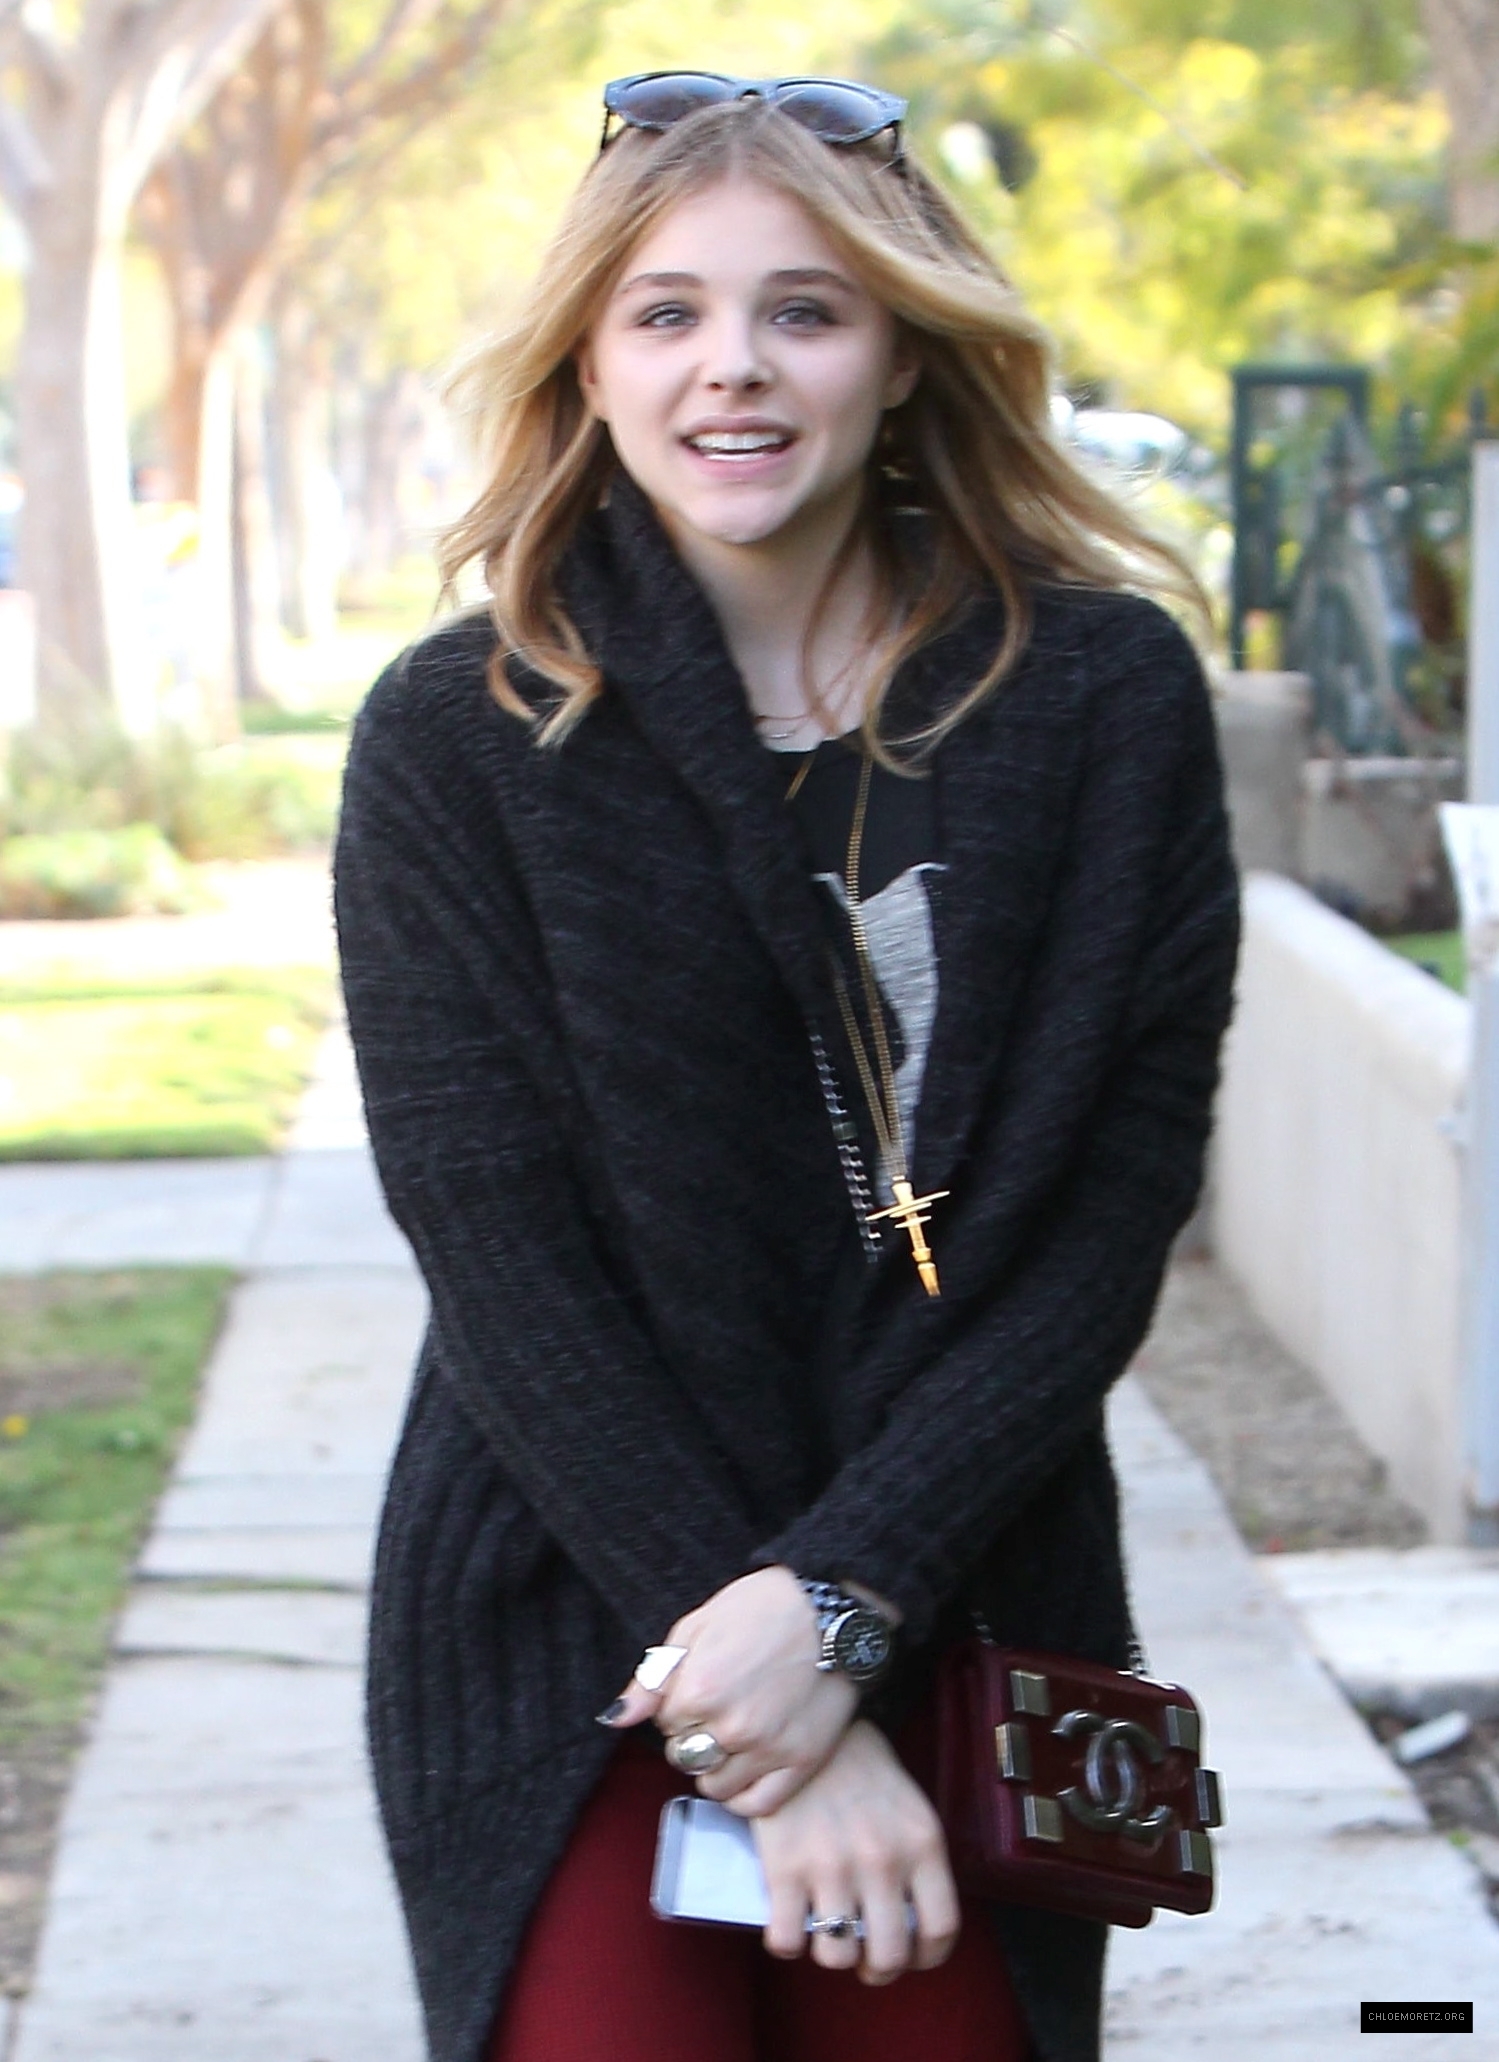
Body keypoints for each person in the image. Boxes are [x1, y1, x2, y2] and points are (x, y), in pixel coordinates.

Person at [334, 71, 1240, 2062]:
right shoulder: (459, 735)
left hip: (969, 1572)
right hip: (572, 1581)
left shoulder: (1105, 702)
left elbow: (1110, 1216)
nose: (730, 365)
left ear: (907, 354)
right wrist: (768, 1689)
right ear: (587, 360)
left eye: (804, 311)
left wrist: (847, 1598)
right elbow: (496, 1250)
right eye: (664, 311)